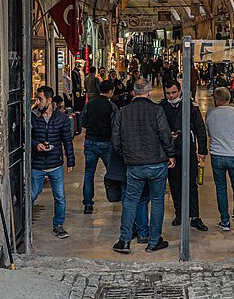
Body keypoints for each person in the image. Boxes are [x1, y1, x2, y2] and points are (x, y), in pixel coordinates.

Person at [111, 78, 175, 253]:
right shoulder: (157, 110)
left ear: (133, 92)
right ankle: (153, 241)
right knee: (157, 201)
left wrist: (126, 155)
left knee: (131, 201)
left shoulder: (123, 112)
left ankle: (124, 241)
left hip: (134, 165)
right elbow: (165, 135)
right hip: (156, 163)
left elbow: (115, 140)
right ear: (149, 93)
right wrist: (171, 154)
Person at [160, 80, 209, 231]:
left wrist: (202, 150)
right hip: (170, 152)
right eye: (168, 93)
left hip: (188, 150)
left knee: (191, 184)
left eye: (173, 92)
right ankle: (179, 214)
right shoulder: (161, 108)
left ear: (180, 91)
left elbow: (200, 129)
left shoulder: (190, 107)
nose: (171, 96)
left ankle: (194, 216)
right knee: (175, 184)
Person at [31, 84, 75, 239]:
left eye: (40, 99)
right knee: (32, 193)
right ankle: (25, 223)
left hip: (55, 163)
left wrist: (70, 161)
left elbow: (67, 140)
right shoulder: (34, 116)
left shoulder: (61, 118)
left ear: (49, 100)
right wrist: (37, 145)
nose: (38, 102)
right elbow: (27, 138)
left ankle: (58, 225)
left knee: (60, 197)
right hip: (37, 163)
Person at [204, 86, 234, 232]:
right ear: (228, 98)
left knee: (221, 188)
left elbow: (210, 133)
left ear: (216, 100)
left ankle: (224, 221)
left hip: (217, 155)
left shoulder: (210, 114)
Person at [82, 78, 117, 214]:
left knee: (89, 174)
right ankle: (114, 196)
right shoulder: (111, 106)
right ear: (110, 91)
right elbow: (115, 127)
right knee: (112, 171)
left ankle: (88, 204)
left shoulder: (89, 104)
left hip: (90, 141)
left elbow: (83, 121)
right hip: (106, 143)